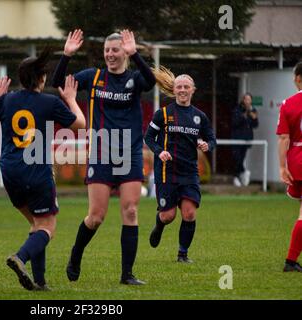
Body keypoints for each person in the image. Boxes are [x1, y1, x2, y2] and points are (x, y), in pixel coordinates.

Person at [52, 29, 161, 285]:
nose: (110, 55)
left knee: (131, 211)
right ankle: (75, 256)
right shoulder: (94, 76)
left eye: (115, 50)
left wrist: (137, 55)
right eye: (107, 51)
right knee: (96, 216)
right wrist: (66, 55)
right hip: (101, 152)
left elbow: (151, 81)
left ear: (124, 52)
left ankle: (127, 275)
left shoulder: (135, 78)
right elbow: (59, 83)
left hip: (130, 153)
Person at [0, 49, 86, 291]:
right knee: (47, 227)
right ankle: (20, 258)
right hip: (36, 170)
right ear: (41, 78)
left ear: (21, 79)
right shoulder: (50, 102)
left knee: (36, 224)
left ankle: (40, 282)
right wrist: (72, 98)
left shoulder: (8, 100)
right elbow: (80, 124)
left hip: (10, 170)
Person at [144, 74, 216, 263]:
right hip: (167, 171)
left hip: (189, 172)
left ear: (193, 90)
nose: (183, 90)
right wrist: (159, 151)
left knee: (189, 213)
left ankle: (182, 254)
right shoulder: (164, 114)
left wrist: (208, 145)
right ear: (174, 90)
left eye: (186, 87)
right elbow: (149, 137)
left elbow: (211, 138)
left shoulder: (200, 117)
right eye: (179, 87)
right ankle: (159, 225)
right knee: (168, 216)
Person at [276, 62, 302, 272]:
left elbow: (284, 138)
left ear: (298, 78)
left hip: (297, 161)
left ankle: (291, 261)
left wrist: (282, 167)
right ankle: (290, 261)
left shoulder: (288, 104)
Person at [231, 93, 258, 187]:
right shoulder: (237, 110)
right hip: (236, 138)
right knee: (236, 158)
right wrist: (243, 116)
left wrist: (252, 117)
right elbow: (234, 123)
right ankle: (242, 173)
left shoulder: (253, 110)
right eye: (246, 99)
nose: (247, 101)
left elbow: (255, 125)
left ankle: (238, 176)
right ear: (243, 100)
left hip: (246, 139)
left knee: (241, 159)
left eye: (249, 99)